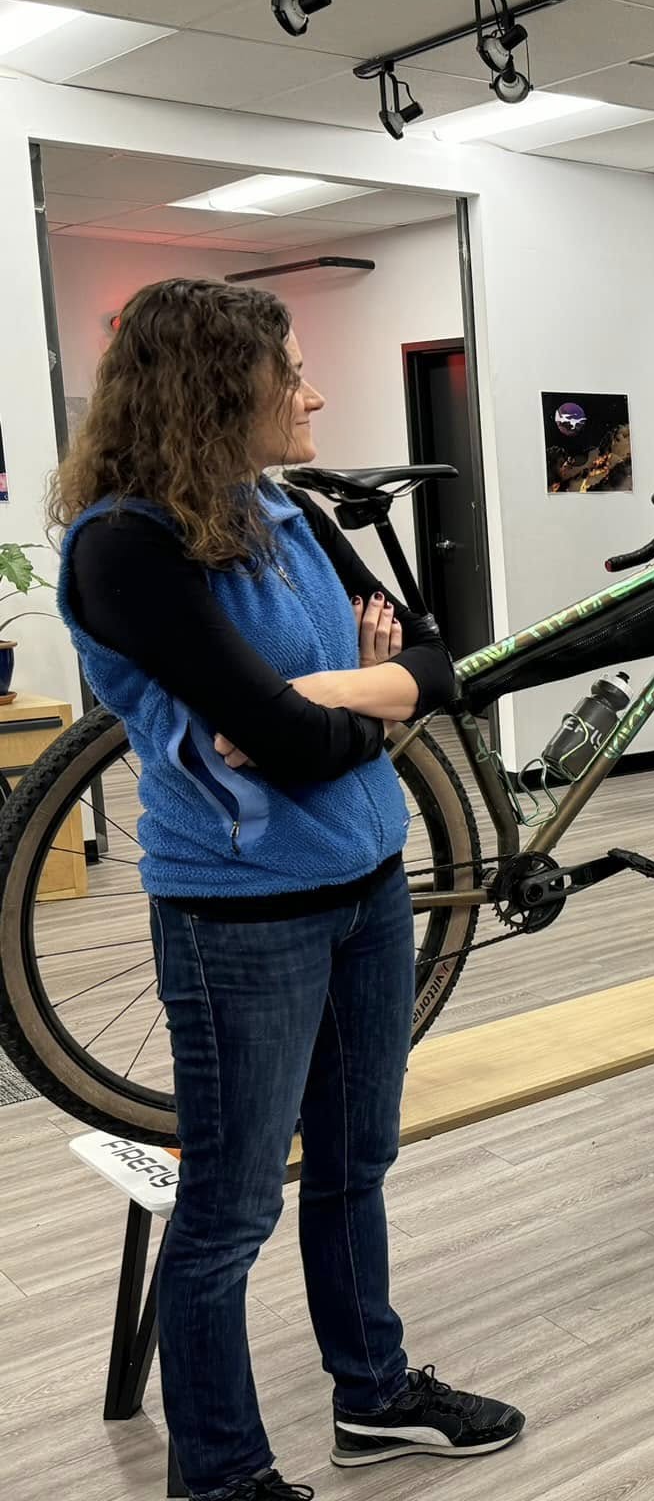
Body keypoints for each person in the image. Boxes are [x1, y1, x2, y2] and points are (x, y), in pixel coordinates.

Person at [51, 279, 523, 1501]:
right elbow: (304, 742)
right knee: (229, 1210)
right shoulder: (123, 546)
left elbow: (440, 664)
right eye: (291, 372)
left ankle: (373, 1397)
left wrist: (315, 697)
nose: (313, 394)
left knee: (357, 1164)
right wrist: (349, 707)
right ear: (218, 389)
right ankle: (219, 1476)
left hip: (369, 882)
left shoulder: (289, 510)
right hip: (238, 918)